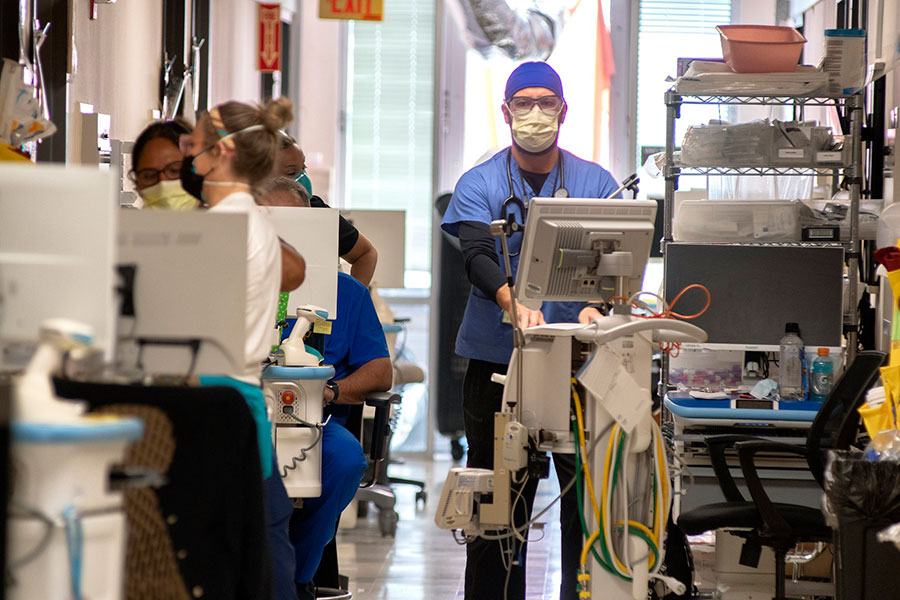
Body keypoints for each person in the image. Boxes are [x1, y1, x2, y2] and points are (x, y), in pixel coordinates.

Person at [440, 61, 621, 600]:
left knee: (582, 494)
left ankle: (579, 593)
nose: (536, 113)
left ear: (563, 112)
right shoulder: (480, 183)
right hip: (499, 357)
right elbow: (476, 254)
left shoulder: (597, 182)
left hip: (581, 358)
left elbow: (619, 259)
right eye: (525, 103)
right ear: (506, 111)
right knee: (499, 496)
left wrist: (597, 304)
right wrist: (512, 300)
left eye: (547, 103)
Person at [178, 98, 302, 600]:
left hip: (214, 397)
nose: (191, 154)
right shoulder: (251, 223)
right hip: (237, 397)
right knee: (258, 539)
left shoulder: (221, 228)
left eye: (197, 142)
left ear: (223, 149)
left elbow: (186, 327)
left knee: (233, 550)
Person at [259, 176, 393, 599]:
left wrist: (331, 392)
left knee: (344, 460)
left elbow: (380, 372)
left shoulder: (348, 294)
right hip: (247, 412)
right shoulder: (233, 287)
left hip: (315, 418)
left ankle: (295, 576)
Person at [129, 119, 306, 293]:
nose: (162, 183)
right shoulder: (127, 238)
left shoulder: (226, 225)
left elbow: (292, 273)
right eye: (149, 175)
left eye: (174, 171)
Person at [275, 135, 379, 286]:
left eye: (304, 168)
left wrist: (351, 300)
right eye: (292, 173)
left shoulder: (317, 210)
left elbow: (367, 253)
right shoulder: (246, 214)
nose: (302, 177)